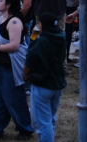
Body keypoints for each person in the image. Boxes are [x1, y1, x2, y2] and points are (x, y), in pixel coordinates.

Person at [0, 0, 34, 140]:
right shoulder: (1, 19)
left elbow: (15, 45)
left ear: (9, 4)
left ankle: (25, 129)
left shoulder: (15, 21)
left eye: (1, 0)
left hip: (11, 66)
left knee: (15, 99)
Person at [24, 12, 67, 142]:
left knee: (42, 123)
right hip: (57, 83)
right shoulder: (62, 37)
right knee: (50, 118)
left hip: (42, 85)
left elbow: (29, 61)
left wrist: (25, 76)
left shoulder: (41, 41)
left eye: (39, 23)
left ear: (42, 25)